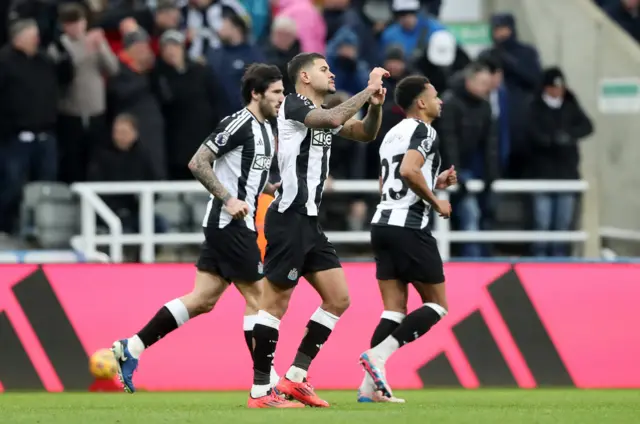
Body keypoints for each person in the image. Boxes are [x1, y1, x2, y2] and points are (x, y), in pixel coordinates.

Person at [110, 64, 289, 400]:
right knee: (261, 300)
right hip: (229, 223)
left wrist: (270, 189)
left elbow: (246, 173)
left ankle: (130, 347)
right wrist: (228, 198)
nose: (282, 98)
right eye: (277, 92)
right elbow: (198, 162)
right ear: (256, 93)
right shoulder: (239, 123)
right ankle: (266, 385)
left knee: (202, 300)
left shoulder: (266, 128)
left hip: (232, 223)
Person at [249, 52, 388, 408]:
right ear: (305, 77)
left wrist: (374, 104)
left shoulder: (321, 115)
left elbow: (365, 133)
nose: (331, 73)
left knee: (338, 298)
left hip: (309, 220)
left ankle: (295, 378)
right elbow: (330, 117)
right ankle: (261, 391)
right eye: (324, 69)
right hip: (288, 217)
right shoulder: (294, 106)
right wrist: (367, 88)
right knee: (275, 305)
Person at [358, 75, 456, 402]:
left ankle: (369, 389)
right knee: (438, 305)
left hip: (382, 223)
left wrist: (435, 182)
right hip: (409, 227)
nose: (440, 101)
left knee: (394, 310)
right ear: (421, 102)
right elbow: (409, 172)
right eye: (435, 95)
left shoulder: (391, 134)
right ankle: (379, 356)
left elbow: (390, 181)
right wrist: (436, 201)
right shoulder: (425, 131)